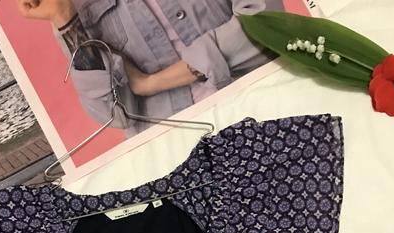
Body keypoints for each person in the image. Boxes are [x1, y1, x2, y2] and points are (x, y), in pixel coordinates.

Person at [15, 0, 284, 136]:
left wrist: (150, 83)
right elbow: (114, 114)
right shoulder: (69, 4)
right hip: (176, 152)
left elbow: (266, 24)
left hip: (268, 110)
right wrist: (65, 20)